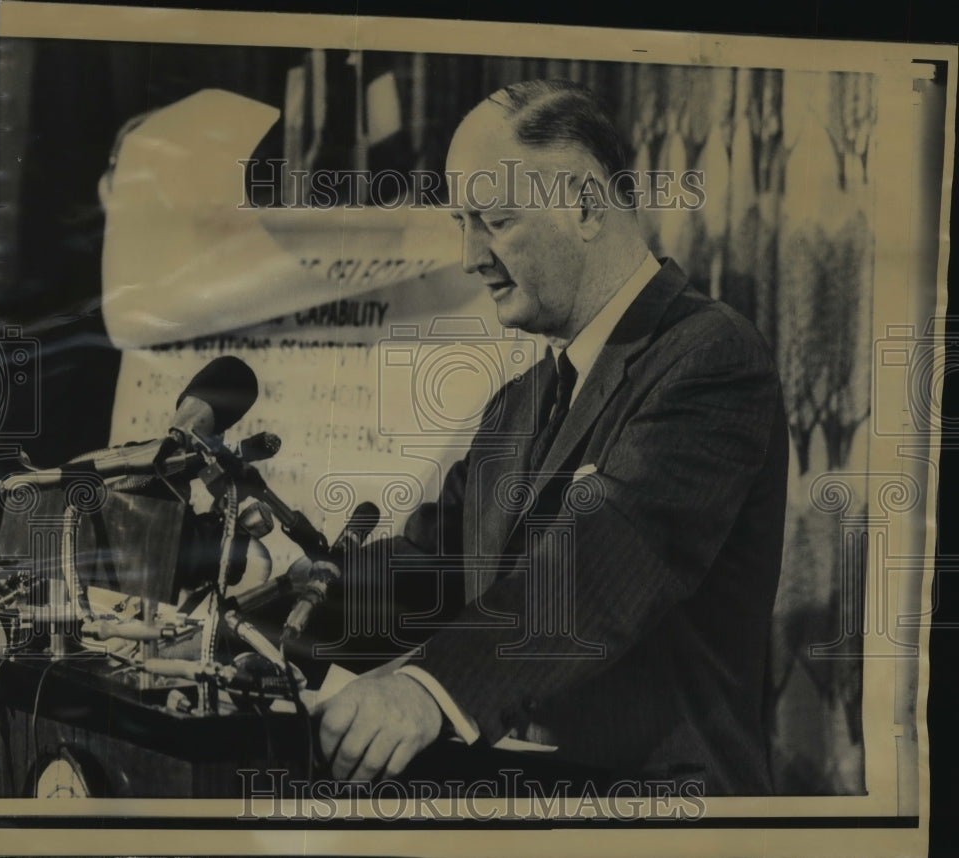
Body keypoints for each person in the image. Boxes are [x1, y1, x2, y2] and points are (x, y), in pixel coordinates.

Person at [314, 80, 789, 795]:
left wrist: (425, 689)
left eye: (495, 221)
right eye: (461, 222)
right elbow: (430, 567)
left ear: (588, 206)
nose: (470, 256)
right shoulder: (519, 403)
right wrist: (267, 597)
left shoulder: (710, 360)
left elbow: (595, 571)